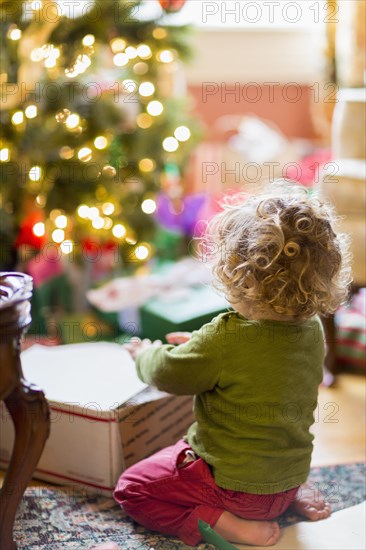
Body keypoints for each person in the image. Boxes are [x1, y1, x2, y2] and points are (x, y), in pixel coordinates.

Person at [112, 185, 351, 547]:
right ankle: (291, 496)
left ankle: (223, 522)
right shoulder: (312, 329)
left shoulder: (226, 337)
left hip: (232, 490)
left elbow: (167, 373)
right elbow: (262, 365)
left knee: (132, 488)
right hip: (284, 482)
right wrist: (202, 346)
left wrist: (144, 354)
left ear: (243, 277)